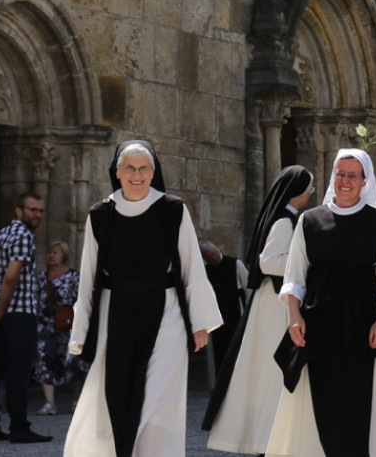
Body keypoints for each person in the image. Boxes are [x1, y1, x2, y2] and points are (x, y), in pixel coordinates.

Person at [66, 141, 223, 456]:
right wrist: (81, 331)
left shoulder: (172, 210)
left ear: (153, 172)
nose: (136, 175)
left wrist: (200, 322)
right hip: (115, 311)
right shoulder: (100, 214)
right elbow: (89, 277)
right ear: (117, 172)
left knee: (159, 399)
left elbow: (192, 267)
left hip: (165, 312)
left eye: (143, 168)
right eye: (129, 168)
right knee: (114, 396)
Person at [264, 149, 376, 456]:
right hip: (318, 320)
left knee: (356, 400)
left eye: (353, 175)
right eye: (340, 173)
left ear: (365, 181)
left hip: (362, 322)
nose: (345, 181)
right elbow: (295, 275)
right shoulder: (309, 221)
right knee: (317, 398)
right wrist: (294, 317)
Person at [203, 165, 313, 454]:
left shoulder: (285, 217)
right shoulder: (285, 221)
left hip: (271, 303)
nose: (311, 193)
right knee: (270, 371)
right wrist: (305, 265)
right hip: (276, 306)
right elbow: (269, 262)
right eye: (309, 188)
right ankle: (268, 436)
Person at [0, 192, 52, 443]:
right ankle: (19, 428)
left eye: (41, 211)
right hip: (18, 313)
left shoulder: (0, 236)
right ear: (18, 211)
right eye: (33, 210)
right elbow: (11, 276)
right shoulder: (23, 236)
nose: (38, 215)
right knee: (18, 372)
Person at [34, 241, 90, 415]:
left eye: (55, 252)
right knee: (44, 359)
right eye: (50, 252)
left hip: (69, 325)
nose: (51, 255)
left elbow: (81, 299)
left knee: (76, 361)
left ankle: (76, 400)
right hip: (46, 325)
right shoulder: (42, 277)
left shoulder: (73, 276)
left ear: (63, 256)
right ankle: (49, 403)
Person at [200, 241, 248, 369]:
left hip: (236, 310)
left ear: (218, 250)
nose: (214, 258)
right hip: (217, 313)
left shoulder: (235, 264)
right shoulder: (206, 271)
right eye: (210, 257)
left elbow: (247, 286)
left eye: (214, 254)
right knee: (220, 348)